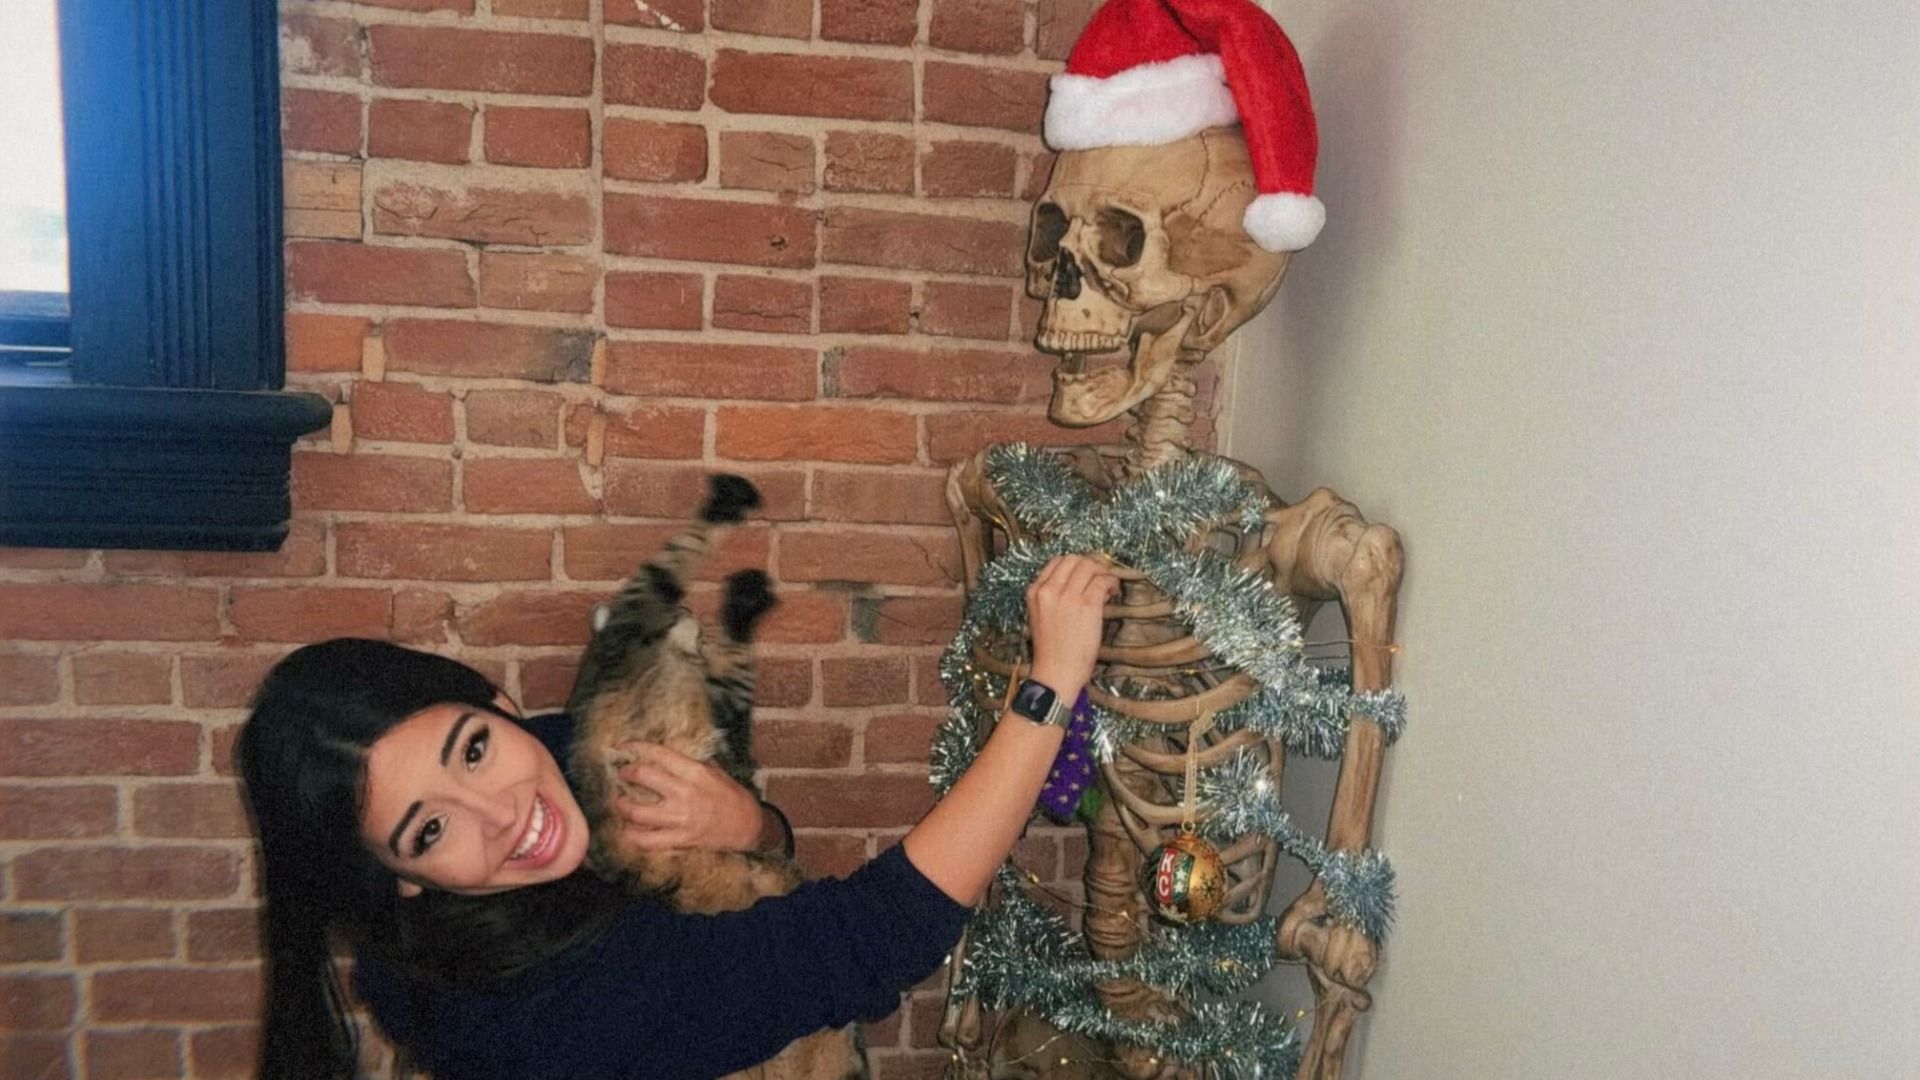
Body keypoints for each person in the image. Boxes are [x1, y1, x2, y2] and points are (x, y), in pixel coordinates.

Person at [237, 553, 1119, 1080]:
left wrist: (753, 827)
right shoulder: (528, 1015)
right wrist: (1050, 687)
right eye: (430, 830)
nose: (505, 814)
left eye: (471, 749)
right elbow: (873, 938)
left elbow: (759, 861)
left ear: (500, 704)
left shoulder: (567, 756)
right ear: (402, 882)